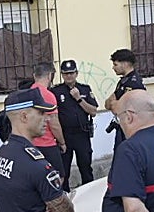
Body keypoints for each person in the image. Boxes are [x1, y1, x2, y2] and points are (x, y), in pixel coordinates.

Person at [51, 59, 99, 188]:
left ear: (76, 73)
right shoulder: (56, 91)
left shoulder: (84, 89)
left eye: (71, 73)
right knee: (64, 169)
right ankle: (65, 197)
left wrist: (78, 99)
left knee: (85, 167)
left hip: (82, 134)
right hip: (64, 135)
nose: (69, 76)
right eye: (66, 73)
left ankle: (89, 193)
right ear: (62, 75)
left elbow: (93, 111)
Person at [31, 62, 68, 190]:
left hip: (31, 143)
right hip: (47, 143)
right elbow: (54, 123)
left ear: (34, 75)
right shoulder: (48, 95)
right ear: (50, 76)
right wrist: (62, 142)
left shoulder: (28, 93)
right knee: (58, 177)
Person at [104, 48, 145, 150]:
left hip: (131, 129)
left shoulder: (133, 83)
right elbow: (107, 104)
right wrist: (115, 103)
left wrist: (116, 104)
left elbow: (119, 109)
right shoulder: (123, 81)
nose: (113, 68)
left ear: (125, 64)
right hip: (122, 127)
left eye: (115, 64)